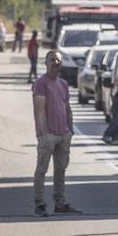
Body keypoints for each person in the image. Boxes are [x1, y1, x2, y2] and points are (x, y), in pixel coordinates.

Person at [33, 50, 81, 216]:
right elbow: (39, 110)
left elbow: (67, 107)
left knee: (61, 170)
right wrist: (43, 134)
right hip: (48, 135)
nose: (55, 62)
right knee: (41, 170)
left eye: (58, 60)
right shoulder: (41, 83)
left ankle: (60, 203)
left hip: (64, 134)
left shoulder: (63, 84)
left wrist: (70, 128)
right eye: (52, 60)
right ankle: (39, 204)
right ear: (46, 63)